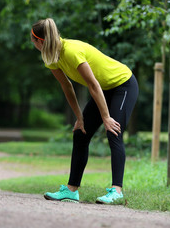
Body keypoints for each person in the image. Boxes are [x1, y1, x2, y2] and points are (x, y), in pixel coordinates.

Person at [31, 18, 139, 204]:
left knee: (113, 131)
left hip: (123, 84)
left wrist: (106, 117)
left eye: (32, 41)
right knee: (81, 134)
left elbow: (92, 84)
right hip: (104, 89)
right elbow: (67, 87)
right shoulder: (50, 57)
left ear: (40, 41)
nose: (33, 44)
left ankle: (117, 191)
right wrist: (79, 118)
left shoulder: (71, 51)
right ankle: (72, 190)